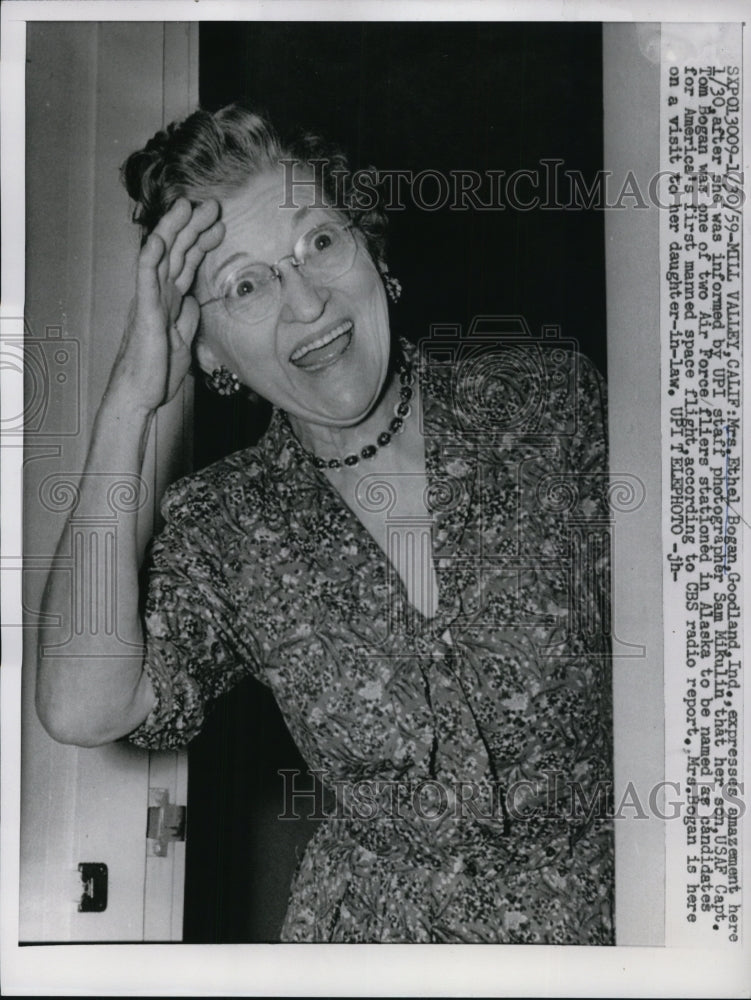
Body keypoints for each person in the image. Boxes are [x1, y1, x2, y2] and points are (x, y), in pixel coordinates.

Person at [38, 104, 614, 944]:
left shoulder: (548, 406)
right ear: (206, 350)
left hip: (609, 936)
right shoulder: (223, 526)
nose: (307, 303)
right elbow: (84, 708)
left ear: (370, 249)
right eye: (245, 284)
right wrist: (130, 397)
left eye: (317, 243)